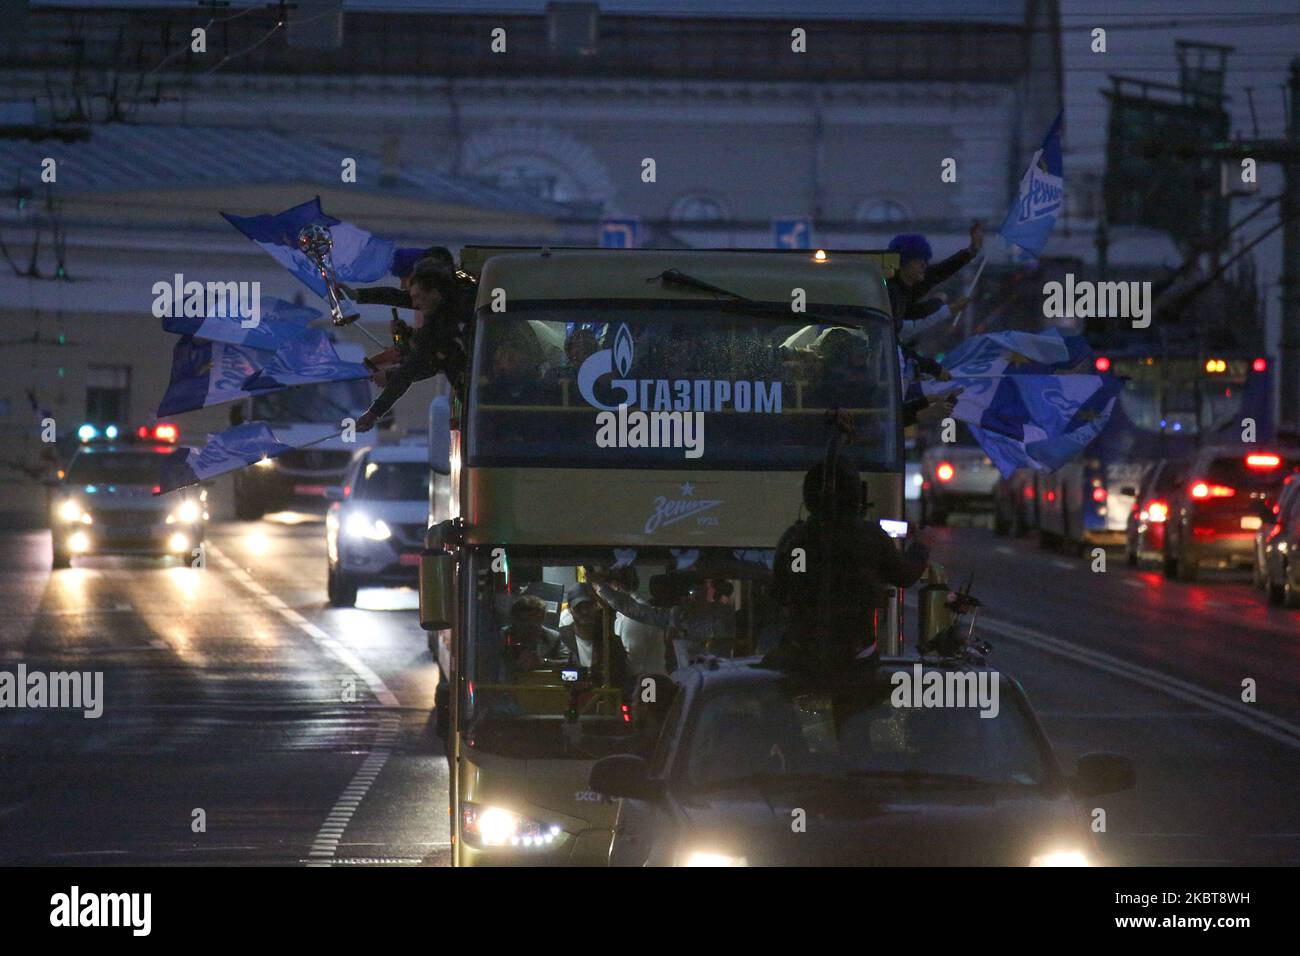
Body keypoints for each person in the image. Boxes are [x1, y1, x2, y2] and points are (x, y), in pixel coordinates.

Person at [768, 457, 930, 666]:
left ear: (808, 497)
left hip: (802, 649)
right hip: (856, 652)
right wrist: (921, 547)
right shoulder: (871, 536)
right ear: (856, 495)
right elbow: (905, 575)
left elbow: (779, 592)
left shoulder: (794, 538)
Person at [355, 258, 474, 431]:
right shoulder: (457, 307)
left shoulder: (441, 325)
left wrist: (373, 412)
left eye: (417, 297)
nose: (414, 304)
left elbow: (414, 366)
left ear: (434, 293)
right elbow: (425, 362)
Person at [559, 583, 629, 688]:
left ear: (596, 606)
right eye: (579, 607)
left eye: (588, 605)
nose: (584, 611)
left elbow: (619, 676)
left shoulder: (611, 642)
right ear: (570, 609)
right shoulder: (561, 639)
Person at [501, 594, 565, 672]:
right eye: (525, 620)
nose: (532, 625)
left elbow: (570, 662)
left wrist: (543, 662)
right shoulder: (503, 636)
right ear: (514, 620)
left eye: (537, 620)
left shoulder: (552, 637)